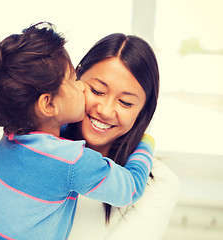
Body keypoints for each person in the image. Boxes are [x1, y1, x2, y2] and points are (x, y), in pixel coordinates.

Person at [0, 23, 155, 240]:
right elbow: (130, 188)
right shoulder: (72, 160)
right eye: (74, 81)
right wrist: (146, 143)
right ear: (48, 105)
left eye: (125, 102)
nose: (81, 87)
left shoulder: (11, 136)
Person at [61, 33, 180, 239]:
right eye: (97, 91)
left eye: (125, 103)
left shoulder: (158, 184)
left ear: (143, 110)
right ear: (75, 78)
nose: (106, 111)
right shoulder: (35, 145)